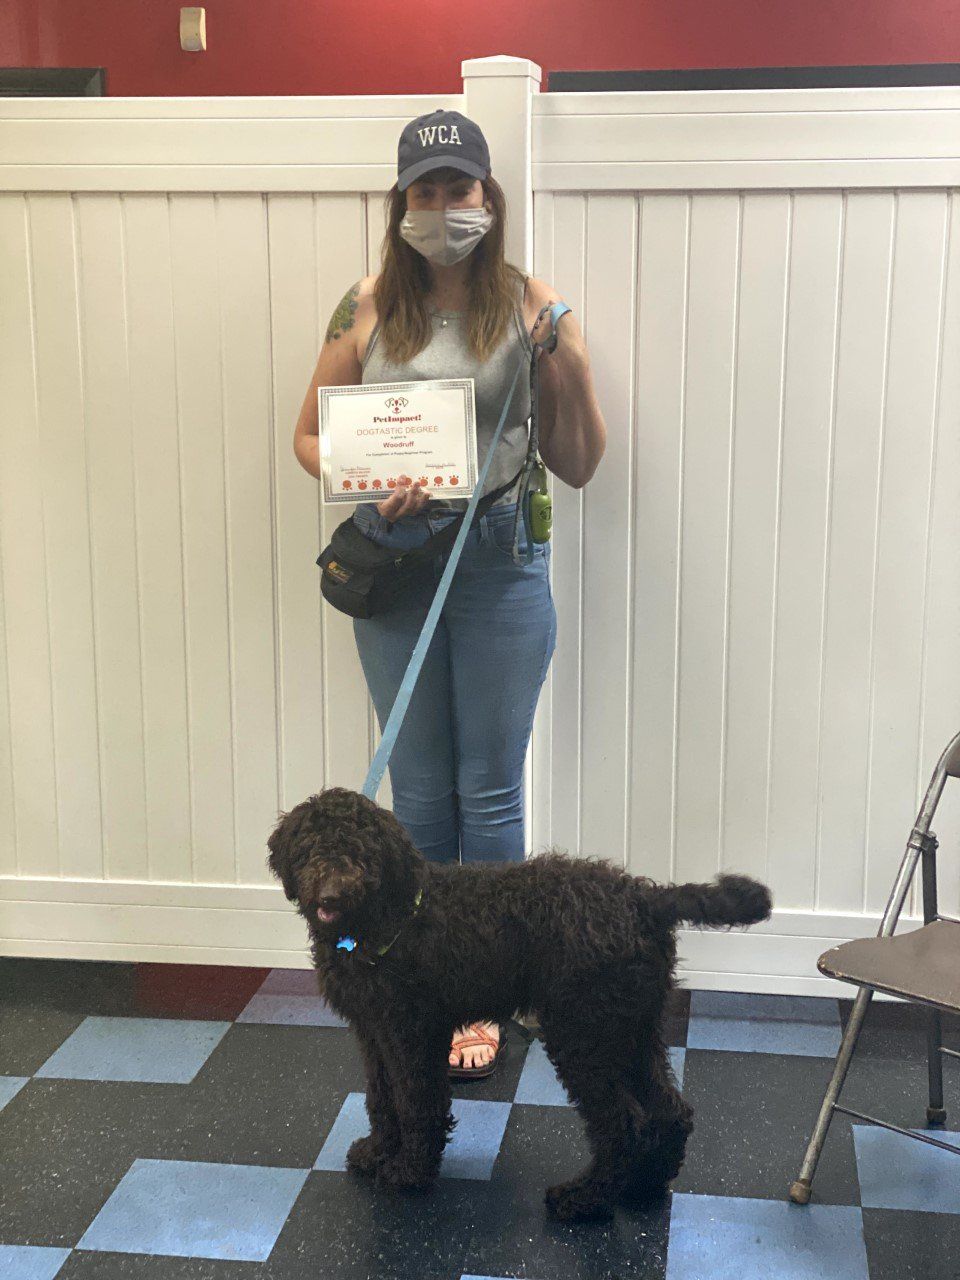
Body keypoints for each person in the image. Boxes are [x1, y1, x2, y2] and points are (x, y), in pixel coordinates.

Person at [292, 109, 607, 1077]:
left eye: (457, 190)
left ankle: (493, 990)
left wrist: (570, 360)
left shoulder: (528, 306)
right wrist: (353, 474)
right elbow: (306, 435)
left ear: (487, 198)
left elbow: (581, 460)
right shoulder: (365, 304)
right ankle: (421, 980)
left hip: (501, 567)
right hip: (398, 567)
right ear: (401, 203)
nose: (441, 209)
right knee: (422, 794)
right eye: (423, 192)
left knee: (491, 789)